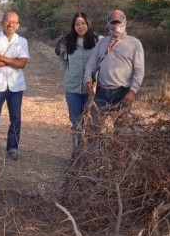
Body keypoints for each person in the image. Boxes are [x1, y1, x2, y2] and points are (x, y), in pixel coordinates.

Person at [0, 11, 30, 160]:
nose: (10, 25)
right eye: (8, 21)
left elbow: (22, 63)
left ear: (18, 25)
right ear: (2, 22)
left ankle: (13, 147)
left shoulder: (22, 41)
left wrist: (2, 57)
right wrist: (13, 60)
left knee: (15, 118)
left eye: (14, 22)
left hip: (16, 86)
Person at [84, 9, 144, 110]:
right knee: (97, 124)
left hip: (123, 93)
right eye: (113, 23)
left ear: (124, 22)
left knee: (121, 124)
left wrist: (132, 91)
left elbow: (139, 71)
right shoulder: (101, 43)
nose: (116, 26)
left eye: (118, 22)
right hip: (100, 92)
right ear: (108, 23)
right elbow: (91, 65)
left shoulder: (134, 44)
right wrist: (87, 81)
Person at [55, 12, 99, 145]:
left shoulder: (97, 41)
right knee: (76, 121)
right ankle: (77, 151)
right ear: (73, 26)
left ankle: (91, 156)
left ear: (88, 24)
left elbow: (101, 61)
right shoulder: (66, 40)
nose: (80, 26)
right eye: (77, 24)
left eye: (83, 23)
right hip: (72, 87)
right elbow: (58, 55)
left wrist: (96, 79)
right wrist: (67, 69)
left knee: (92, 122)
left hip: (91, 88)